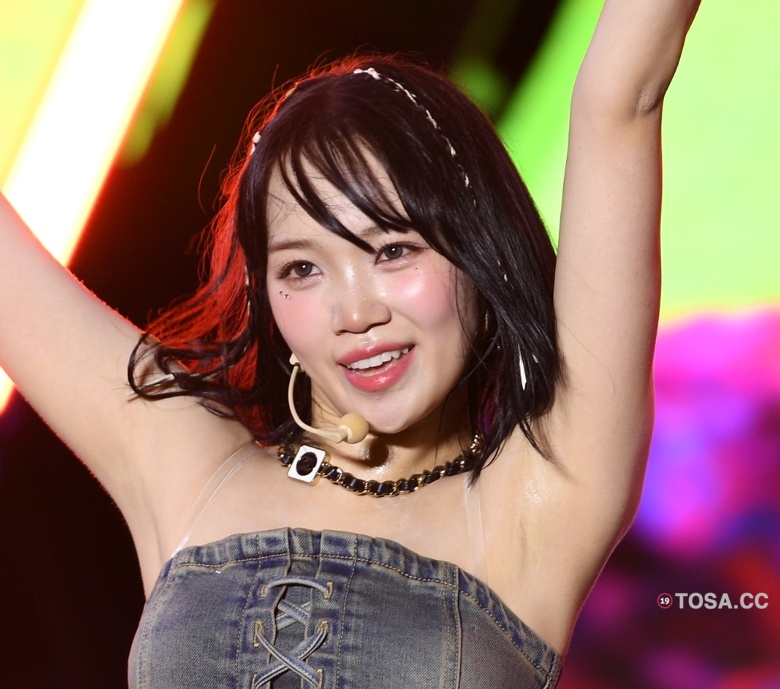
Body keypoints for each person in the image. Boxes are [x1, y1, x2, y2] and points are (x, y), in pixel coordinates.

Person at [0, 1, 700, 686]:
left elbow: (621, 101)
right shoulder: (187, 467)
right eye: (301, 270)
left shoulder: (538, 504)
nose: (355, 313)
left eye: (393, 250)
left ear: (477, 253)